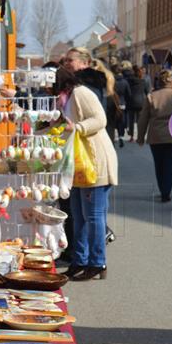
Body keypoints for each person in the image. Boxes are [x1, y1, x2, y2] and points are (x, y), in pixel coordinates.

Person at [55, 68, 118, 281]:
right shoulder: (67, 97)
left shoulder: (81, 93)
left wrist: (78, 127)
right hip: (79, 165)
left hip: (94, 162)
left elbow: (100, 119)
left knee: (93, 216)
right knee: (78, 216)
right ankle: (79, 261)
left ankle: (97, 262)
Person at [137, 70, 172, 202]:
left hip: (156, 136)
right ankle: (166, 191)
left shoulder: (151, 97)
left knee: (159, 165)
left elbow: (143, 118)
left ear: (159, 82)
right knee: (170, 165)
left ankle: (163, 189)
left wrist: (140, 137)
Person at [121, 60, 147, 142]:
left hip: (131, 102)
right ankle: (139, 137)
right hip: (141, 103)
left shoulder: (129, 80)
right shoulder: (143, 81)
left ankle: (131, 137)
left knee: (131, 120)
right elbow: (146, 92)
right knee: (140, 121)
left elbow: (127, 91)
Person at [112, 64, 131, 147]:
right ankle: (121, 136)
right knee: (121, 121)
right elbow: (129, 94)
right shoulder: (125, 82)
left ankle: (112, 137)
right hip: (122, 103)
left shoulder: (111, 81)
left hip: (113, 103)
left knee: (113, 121)